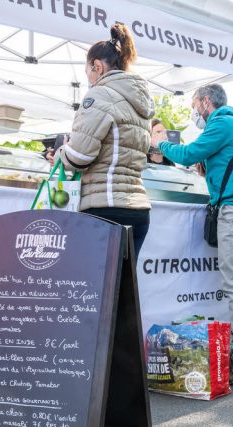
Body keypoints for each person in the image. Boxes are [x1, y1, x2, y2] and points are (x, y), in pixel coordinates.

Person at [157, 84, 233, 384]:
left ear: (206, 101)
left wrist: (161, 143)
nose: (194, 112)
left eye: (194, 104)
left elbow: (188, 154)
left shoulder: (222, 122)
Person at [57, 23, 153, 256]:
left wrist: (61, 153)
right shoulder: (141, 103)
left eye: (88, 71)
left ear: (97, 66)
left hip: (105, 207)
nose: (89, 78)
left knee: (94, 288)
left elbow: (79, 157)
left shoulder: (99, 94)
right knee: (123, 289)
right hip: (138, 209)